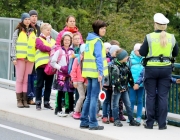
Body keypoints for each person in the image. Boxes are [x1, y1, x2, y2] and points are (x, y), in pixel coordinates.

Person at [138, 13, 179, 130]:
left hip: (151, 68)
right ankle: (162, 124)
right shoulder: (171, 37)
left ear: (155, 24)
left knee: (150, 96)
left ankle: (149, 123)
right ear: (165, 26)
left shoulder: (149, 36)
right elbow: (175, 52)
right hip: (166, 69)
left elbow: (142, 52)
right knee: (163, 97)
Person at [80, 20, 108, 130]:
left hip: (88, 72)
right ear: (97, 29)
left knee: (89, 97)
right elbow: (98, 58)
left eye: (105, 29)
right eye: (102, 29)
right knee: (93, 98)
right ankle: (93, 123)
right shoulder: (97, 41)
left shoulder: (89, 40)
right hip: (96, 73)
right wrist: (100, 73)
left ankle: (84, 121)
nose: (104, 31)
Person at [11, 13, 36, 108]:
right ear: (22, 20)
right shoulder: (17, 31)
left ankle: (25, 100)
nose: (28, 21)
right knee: (19, 79)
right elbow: (13, 45)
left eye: (29, 19)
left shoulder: (33, 31)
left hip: (30, 59)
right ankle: (19, 100)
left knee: (26, 80)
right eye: (25, 19)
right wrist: (13, 57)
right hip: (20, 58)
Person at [111, 49, 140, 127]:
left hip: (125, 88)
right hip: (118, 89)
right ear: (122, 57)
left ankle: (131, 120)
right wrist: (120, 87)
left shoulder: (126, 66)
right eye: (126, 56)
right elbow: (115, 79)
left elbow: (130, 77)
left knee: (128, 104)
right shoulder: (115, 67)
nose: (128, 57)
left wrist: (132, 84)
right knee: (115, 104)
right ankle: (116, 120)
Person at [51, 34, 74, 117]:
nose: (67, 41)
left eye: (68, 40)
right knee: (60, 91)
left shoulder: (72, 52)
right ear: (62, 41)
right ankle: (58, 108)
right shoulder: (59, 51)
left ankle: (70, 109)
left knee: (70, 91)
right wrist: (60, 67)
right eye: (65, 40)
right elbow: (53, 62)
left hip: (69, 74)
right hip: (61, 74)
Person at [35, 23, 56, 110]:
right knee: (40, 84)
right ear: (42, 30)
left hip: (50, 66)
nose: (49, 32)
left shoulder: (53, 40)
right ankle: (38, 101)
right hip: (41, 65)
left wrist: (51, 48)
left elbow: (57, 49)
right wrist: (51, 48)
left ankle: (46, 102)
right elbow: (42, 47)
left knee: (48, 85)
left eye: (50, 30)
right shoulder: (38, 39)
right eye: (47, 30)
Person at [128, 43, 144, 123]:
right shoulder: (130, 59)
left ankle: (139, 116)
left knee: (140, 100)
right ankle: (130, 117)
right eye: (138, 50)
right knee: (132, 100)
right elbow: (127, 71)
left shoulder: (144, 59)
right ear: (135, 50)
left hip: (141, 84)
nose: (140, 52)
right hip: (132, 84)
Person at [70, 44, 87, 119]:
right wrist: (74, 80)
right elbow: (73, 71)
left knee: (84, 97)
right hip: (79, 81)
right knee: (82, 96)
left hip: (85, 81)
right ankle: (76, 111)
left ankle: (81, 111)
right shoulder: (77, 59)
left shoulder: (88, 60)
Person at [27, 10, 41, 105]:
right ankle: (28, 97)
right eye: (32, 16)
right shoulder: (26, 28)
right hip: (28, 56)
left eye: (35, 16)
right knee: (29, 77)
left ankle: (34, 97)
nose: (34, 18)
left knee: (35, 77)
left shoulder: (39, 28)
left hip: (37, 56)